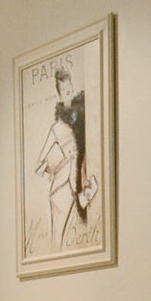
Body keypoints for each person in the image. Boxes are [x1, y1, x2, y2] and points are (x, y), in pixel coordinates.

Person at [33, 65, 97, 251]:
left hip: (79, 181)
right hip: (62, 185)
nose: (68, 91)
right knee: (58, 241)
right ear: (59, 95)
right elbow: (39, 164)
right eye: (64, 89)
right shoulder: (56, 128)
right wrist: (60, 160)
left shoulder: (84, 118)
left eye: (69, 86)